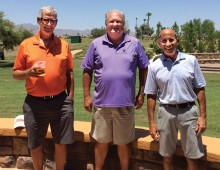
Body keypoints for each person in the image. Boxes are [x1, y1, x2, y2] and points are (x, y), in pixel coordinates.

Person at [81, 9, 149, 170]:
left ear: (124, 25)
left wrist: (141, 93)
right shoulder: (96, 44)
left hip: (125, 104)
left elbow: (144, 68)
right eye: (112, 21)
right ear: (106, 24)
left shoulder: (134, 43)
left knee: (124, 144)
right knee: (101, 142)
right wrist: (86, 96)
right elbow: (87, 70)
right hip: (101, 105)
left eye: (118, 21)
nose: (115, 24)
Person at [13, 6, 74, 170]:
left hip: (60, 101)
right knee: (35, 143)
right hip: (34, 103)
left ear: (56, 23)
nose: (49, 23)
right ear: (39, 21)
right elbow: (16, 74)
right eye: (46, 19)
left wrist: (70, 98)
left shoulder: (64, 45)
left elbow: (69, 73)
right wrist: (28, 73)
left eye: (52, 20)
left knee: (61, 142)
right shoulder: (26, 45)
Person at [145, 28, 207, 170]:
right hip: (166, 113)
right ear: (159, 43)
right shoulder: (154, 66)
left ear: (177, 40)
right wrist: (152, 124)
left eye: (171, 40)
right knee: (167, 157)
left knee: (192, 157)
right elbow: (151, 95)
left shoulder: (191, 61)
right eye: (164, 41)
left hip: (189, 112)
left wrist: (202, 117)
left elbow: (200, 89)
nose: (168, 44)